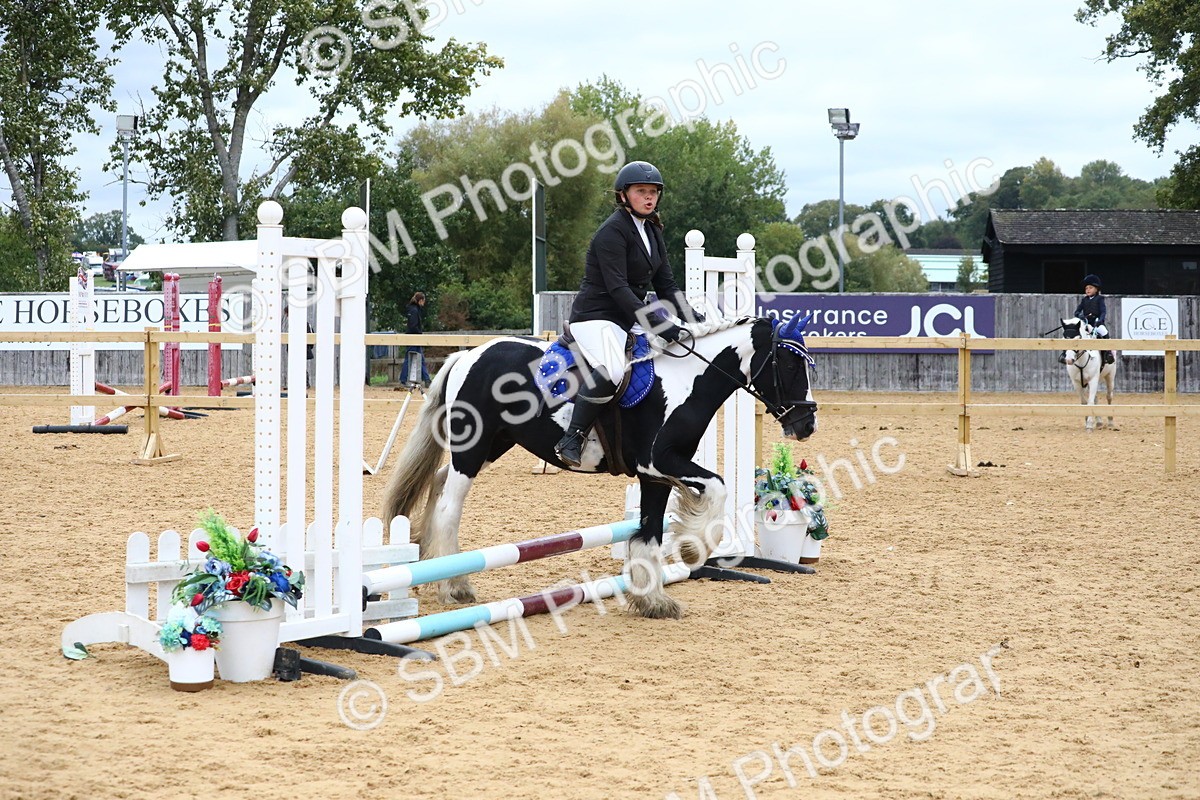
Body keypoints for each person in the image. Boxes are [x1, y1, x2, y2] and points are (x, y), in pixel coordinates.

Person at [553, 160, 703, 468]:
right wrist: (661, 325)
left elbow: (667, 285)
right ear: (624, 196)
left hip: (626, 319)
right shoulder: (611, 232)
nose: (649, 198)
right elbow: (619, 290)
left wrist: (693, 320)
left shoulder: (653, 231)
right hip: (595, 317)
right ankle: (573, 437)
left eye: (653, 192)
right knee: (614, 368)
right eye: (641, 192)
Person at [1074, 274, 1114, 365]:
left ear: (1096, 289)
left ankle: (1108, 353)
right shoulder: (1084, 300)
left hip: (1096, 323)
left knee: (1104, 332)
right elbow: (1077, 311)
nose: (1087, 290)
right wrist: (1080, 316)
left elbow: (1103, 311)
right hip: (1086, 323)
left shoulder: (1100, 299)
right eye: (1086, 288)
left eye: (1090, 288)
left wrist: (1100, 320)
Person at [404, 291, 431, 386]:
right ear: (420, 300)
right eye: (423, 301)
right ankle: (404, 379)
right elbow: (413, 326)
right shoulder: (414, 311)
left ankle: (427, 379)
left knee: (419, 358)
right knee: (410, 358)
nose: (424, 303)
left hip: (414, 337)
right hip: (414, 337)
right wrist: (419, 333)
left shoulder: (413, 310)